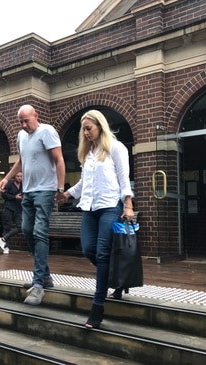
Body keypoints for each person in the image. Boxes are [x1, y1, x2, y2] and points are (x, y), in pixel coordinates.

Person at [59, 110, 134, 329]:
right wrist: (67, 194)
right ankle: (117, 279)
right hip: (90, 208)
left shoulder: (116, 148)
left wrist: (128, 205)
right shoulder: (88, 153)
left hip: (111, 206)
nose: (85, 132)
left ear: (100, 126)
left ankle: (97, 307)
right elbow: (84, 184)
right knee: (88, 249)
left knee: (102, 253)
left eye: (88, 128)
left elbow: (124, 178)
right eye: (83, 129)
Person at [0, 104, 66, 306]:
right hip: (27, 191)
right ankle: (44, 276)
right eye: (21, 121)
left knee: (39, 232)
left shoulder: (47, 131)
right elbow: (21, 161)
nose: (23, 124)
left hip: (45, 190)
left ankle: (38, 285)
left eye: (26, 120)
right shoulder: (21, 136)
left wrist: (60, 189)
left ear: (36, 116)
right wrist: (7, 178)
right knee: (27, 230)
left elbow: (59, 160)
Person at [0, 172, 23, 254]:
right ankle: (5, 247)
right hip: (9, 208)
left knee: (21, 226)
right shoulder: (9, 184)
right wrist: (14, 197)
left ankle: (3, 238)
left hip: (19, 208)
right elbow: (4, 195)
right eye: (17, 176)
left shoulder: (24, 186)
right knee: (7, 226)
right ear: (15, 177)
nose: (19, 178)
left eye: (21, 176)